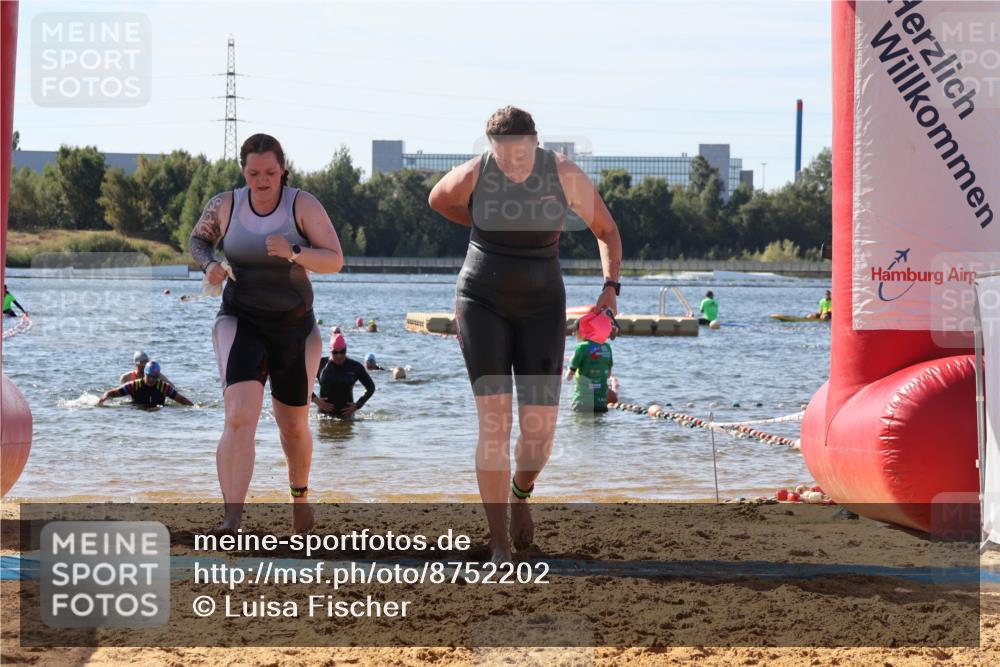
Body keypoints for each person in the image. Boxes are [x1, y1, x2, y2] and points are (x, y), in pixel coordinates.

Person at [428, 105, 623, 562]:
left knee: (539, 435)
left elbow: (607, 230)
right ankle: (498, 542)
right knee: (494, 423)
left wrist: (610, 289)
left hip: (541, 306)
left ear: (536, 143)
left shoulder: (563, 173)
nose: (513, 165)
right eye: (504, 157)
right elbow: (438, 199)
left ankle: (520, 494)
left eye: (521, 155)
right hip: (481, 302)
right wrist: (481, 222)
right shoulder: (477, 172)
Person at [188, 133, 344, 534]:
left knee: (293, 425)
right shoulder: (226, 204)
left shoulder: (301, 204)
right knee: (239, 416)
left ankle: (300, 499)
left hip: (294, 327)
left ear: (282, 170)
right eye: (254, 173)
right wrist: (208, 266)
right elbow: (199, 240)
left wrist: (294, 251)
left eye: (270, 173)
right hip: (241, 321)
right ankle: (232, 518)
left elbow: (334, 260)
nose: (262, 180)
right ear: (243, 170)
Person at [312, 334, 375, 419]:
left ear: (346, 350)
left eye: (342, 352)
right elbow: (301, 382)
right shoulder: (320, 364)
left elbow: (371, 387)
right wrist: (316, 400)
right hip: (323, 417)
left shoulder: (355, 367)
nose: (339, 355)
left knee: (346, 432)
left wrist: (357, 405)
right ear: (330, 350)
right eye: (335, 352)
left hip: (346, 418)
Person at [566, 311, 614, 413]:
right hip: (601, 404)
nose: (573, 333)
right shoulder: (607, 347)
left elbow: (568, 378)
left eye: (575, 330)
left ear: (583, 330)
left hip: (582, 403)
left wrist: (571, 363)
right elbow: (609, 375)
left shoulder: (581, 347)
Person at [97, 361, 193, 407]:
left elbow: (182, 400)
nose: (151, 379)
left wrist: (195, 408)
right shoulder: (134, 385)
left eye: (154, 377)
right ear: (144, 374)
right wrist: (101, 400)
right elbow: (112, 393)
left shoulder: (164, 387)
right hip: (138, 412)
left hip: (158, 415)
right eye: (149, 376)